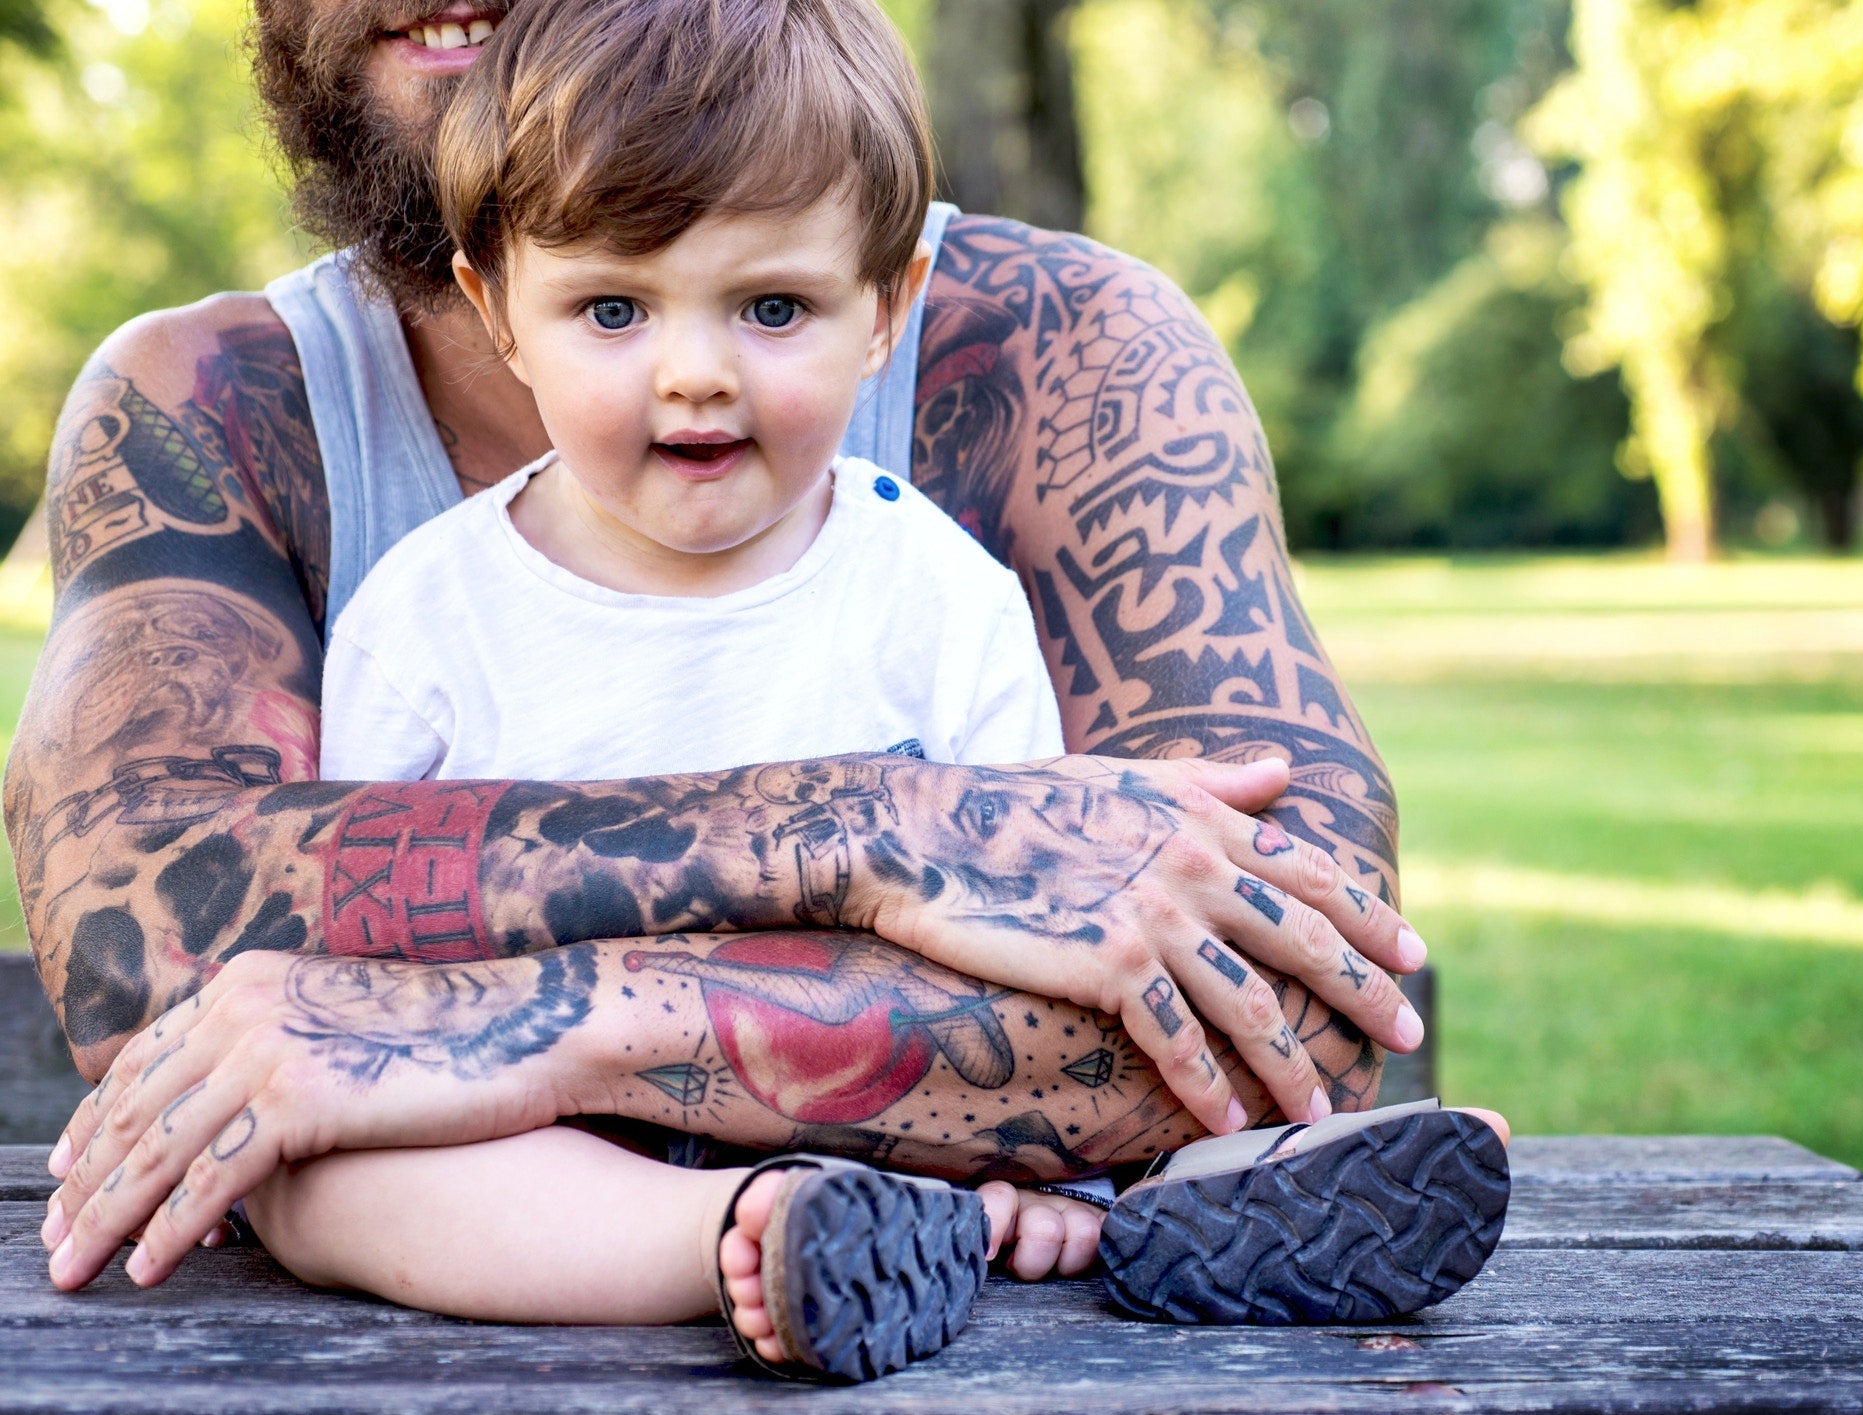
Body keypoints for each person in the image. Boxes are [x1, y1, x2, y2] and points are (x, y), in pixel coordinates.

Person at [21, 0, 1508, 1342]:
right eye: (612, 308)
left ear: (882, 303)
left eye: (773, 308)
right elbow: (167, 972)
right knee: (324, 1163)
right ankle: (762, 1236)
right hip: (540, 1185)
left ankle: (1111, 1227)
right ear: (500, 300)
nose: (695, 376)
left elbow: (1290, 969)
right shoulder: (243, 440)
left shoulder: (1058, 376)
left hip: (891, 1164)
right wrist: (886, 835)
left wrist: (543, 1033)